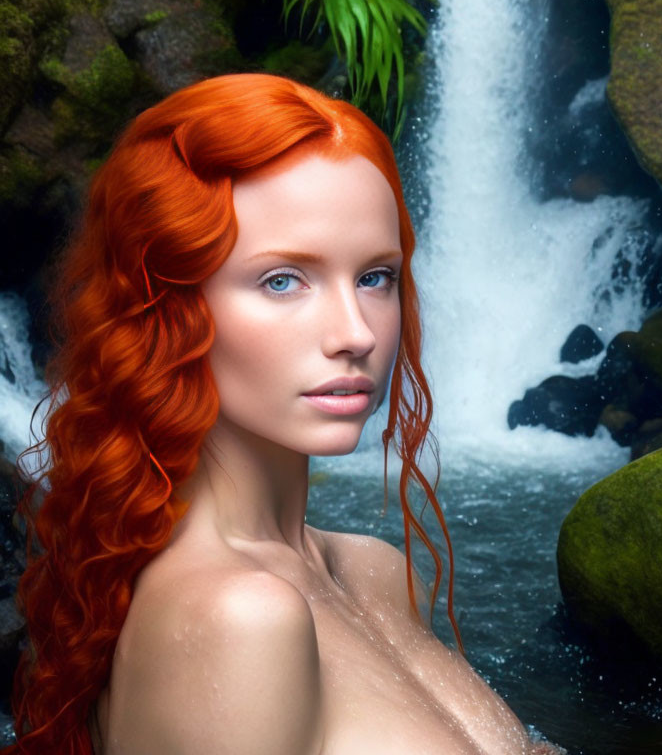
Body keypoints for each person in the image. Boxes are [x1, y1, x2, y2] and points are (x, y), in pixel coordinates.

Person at [4, 73, 558, 754]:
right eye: (282, 280)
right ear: (169, 308)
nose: (355, 332)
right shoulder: (235, 618)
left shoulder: (377, 572)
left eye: (374, 277)